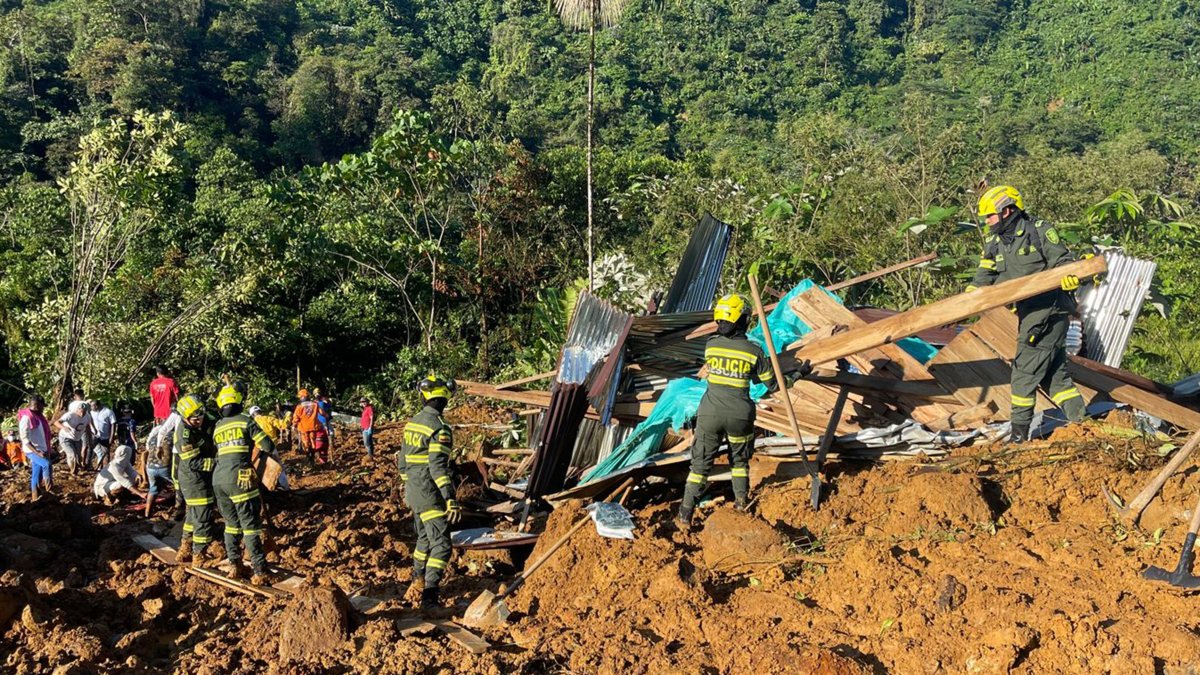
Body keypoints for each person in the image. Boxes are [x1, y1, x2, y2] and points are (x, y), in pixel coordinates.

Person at [968, 185, 1088, 443]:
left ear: (1007, 211)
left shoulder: (1039, 230)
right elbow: (983, 277)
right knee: (1055, 377)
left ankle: (1019, 437)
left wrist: (1069, 277)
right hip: (1027, 313)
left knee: (1023, 373)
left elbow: (1064, 262)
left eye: (990, 216)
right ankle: (1083, 425)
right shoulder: (994, 242)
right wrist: (966, 302)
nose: (987, 222)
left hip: (1049, 311)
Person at [676, 295, 781, 530]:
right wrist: (798, 374)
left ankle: (684, 515)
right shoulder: (754, 351)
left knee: (700, 466)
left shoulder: (711, 345)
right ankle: (742, 505)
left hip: (709, 414)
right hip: (740, 416)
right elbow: (771, 383)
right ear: (743, 320)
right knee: (739, 461)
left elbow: (722, 367)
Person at [398, 375, 461, 609]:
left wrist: (411, 486)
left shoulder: (413, 423)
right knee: (442, 544)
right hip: (429, 492)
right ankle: (430, 596)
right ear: (445, 400)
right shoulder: (440, 428)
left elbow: (403, 464)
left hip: (413, 491)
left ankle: (417, 580)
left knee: (423, 538)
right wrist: (449, 497)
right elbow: (437, 467)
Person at [211, 384, 274, 584]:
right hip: (240, 479)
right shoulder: (246, 421)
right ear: (239, 401)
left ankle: (234, 565)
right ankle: (260, 571)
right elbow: (267, 445)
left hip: (218, 480)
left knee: (231, 526)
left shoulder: (218, 426)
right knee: (250, 526)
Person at [174, 395, 217, 566]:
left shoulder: (201, 422)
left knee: (192, 516)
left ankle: (185, 549)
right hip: (194, 480)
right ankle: (199, 554)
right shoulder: (184, 435)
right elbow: (193, 462)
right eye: (194, 417)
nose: (199, 419)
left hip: (197, 479)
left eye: (201, 414)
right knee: (203, 516)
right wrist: (218, 464)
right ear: (185, 418)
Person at [18, 395, 53, 500]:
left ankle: (35, 496)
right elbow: (25, 439)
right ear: (37, 405)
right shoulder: (26, 418)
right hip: (31, 450)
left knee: (36, 473)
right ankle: (49, 491)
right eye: (42, 406)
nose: (43, 409)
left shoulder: (38, 417)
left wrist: (46, 449)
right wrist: (37, 452)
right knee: (47, 465)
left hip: (41, 449)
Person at [55, 400, 92, 475]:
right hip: (65, 437)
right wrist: (63, 427)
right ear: (77, 410)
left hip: (77, 439)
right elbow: (56, 422)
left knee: (78, 457)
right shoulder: (70, 415)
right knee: (72, 455)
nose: (82, 414)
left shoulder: (87, 417)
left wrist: (90, 439)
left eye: (84, 412)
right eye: (80, 412)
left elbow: (88, 427)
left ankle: (76, 470)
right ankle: (73, 472)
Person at [292, 390, 326, 464]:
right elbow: (322, 413)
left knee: (306, 443)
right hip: (313, 427)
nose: (300, 398)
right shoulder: (315, 404)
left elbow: (296, 418)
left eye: (300, 397)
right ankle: (312, 458)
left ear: (303, 397)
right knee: (313, 442)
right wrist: (327, 417)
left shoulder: (299, 407)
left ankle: (308, 458)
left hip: (303, 428)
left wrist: (294, 425)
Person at [88, 399, 117, 470]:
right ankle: (88, 466)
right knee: (90, 449)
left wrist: (111, 437)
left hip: (105, 436)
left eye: (92, 406)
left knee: (105, 453)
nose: (91, 408)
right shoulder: (90, 413)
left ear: (97, 406)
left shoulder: (108, 412)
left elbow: (113, 424)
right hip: (94, 435)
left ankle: (105, 468)